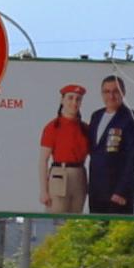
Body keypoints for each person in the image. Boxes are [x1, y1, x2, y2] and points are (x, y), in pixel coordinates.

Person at [87, 73, 134, 215]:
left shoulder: (133, 118)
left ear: (123, 93)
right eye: (107, 92)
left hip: (118, 193)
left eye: (115, 91)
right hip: (96, 191)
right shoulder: (96, 116)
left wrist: (121, 191)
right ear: (102, 94)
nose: (111, 96)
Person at [38, 83, 91, 215]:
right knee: (56, 216)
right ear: (62, 100)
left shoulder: (85, 128)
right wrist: (44, 190)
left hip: (80, 175)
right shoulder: (53, 127)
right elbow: (43, 160)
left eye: (78, 99)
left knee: (75, 217)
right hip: (59, 174)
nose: (74, 102)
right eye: (70, 98)